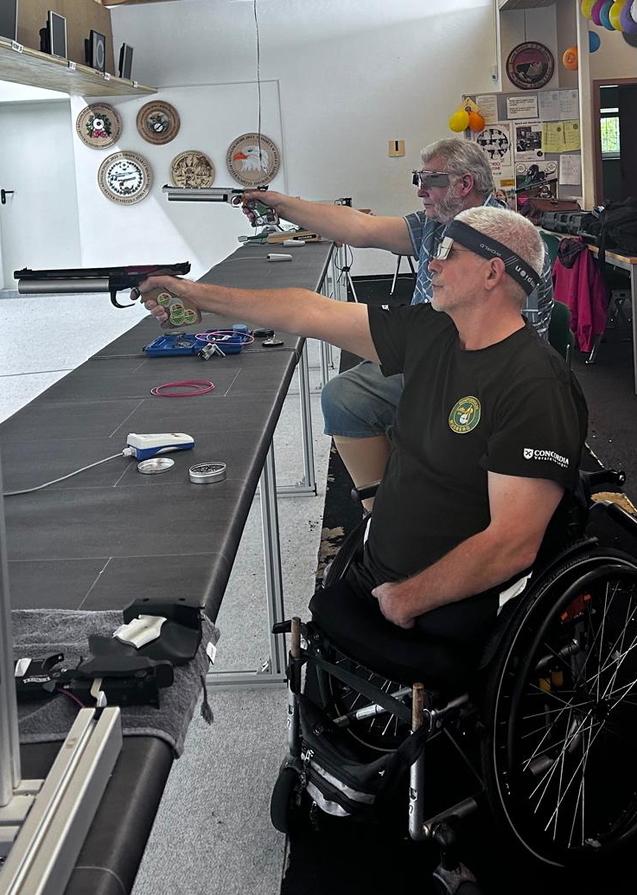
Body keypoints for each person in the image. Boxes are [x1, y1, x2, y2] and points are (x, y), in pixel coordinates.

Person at [137, 206, 587, 637]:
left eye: (448, 251)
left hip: (441, 599)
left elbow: (512, 543)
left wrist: (406, 599)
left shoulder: (536, 386)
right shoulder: (434, 330)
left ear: (492, 273)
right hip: (380, 566)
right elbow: (307, 311)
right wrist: (197, 296)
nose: (431, 263)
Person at [242, 138, 554, 509]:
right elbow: (360, 228)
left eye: (430, 180)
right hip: (426, 354)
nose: (420, 190)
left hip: (481, 374)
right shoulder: (436, 223)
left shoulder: (510, 241)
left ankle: (431, 496)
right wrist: (280, 204)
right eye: (417, 179)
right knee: (344, 395)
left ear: (464, 184)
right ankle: (381, 511)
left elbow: (521, 345)